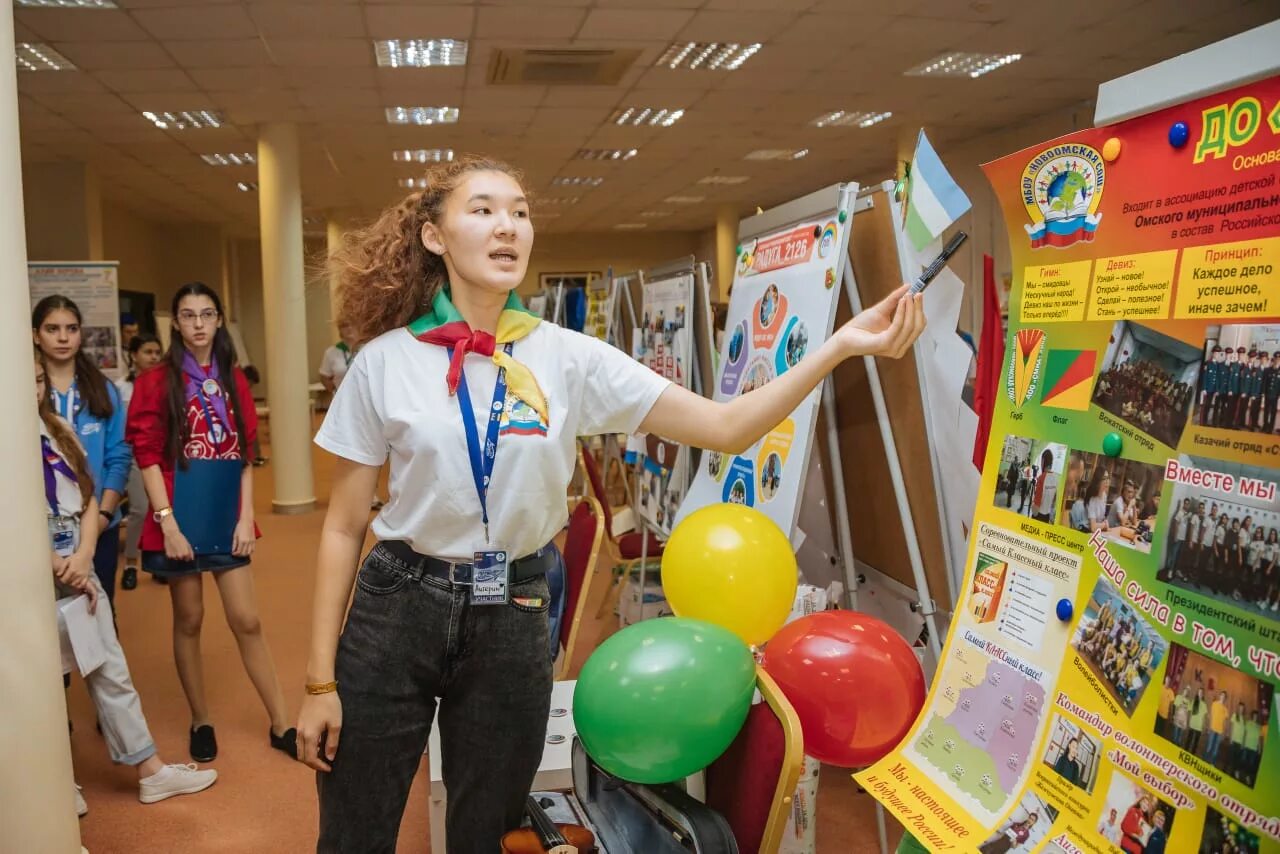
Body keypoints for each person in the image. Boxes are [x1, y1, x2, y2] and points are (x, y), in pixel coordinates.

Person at [295, 155, 927, 853]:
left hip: (515, 609)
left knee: (488, 831)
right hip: (400, 603)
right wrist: (320, 681)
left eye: (520, 212)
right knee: (355, 825)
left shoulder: (567, 357)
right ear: (435, 237)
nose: (507, 226)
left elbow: (726, 426)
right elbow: (344, 526)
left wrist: (838, 346)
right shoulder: (384, 362)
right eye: (482, 210)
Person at [35, 353, 217, 815]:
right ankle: (54, 782)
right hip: (31, 569)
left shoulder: (56, 425)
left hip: (77, 558)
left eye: (39, 381)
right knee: (40, 681)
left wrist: (81, 555)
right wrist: (52, 561)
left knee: (108, 667)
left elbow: (88, 493)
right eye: (26, 381)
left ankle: (149, 771)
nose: (35, 389)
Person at [125, 282, 295, 763]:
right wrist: (168, 522)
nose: (197, 324)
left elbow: (244, 452)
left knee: (247, 618)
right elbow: (148, 455)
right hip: (178, 513)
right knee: (190, 617)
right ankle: (201, 718)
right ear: (175, 323)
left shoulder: (233, 379)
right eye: (187, 315)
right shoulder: (156, 381)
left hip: (225, 512)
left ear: (219, 320)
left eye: (206, 314)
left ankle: (281, 721)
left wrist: (247, 516)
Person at [33, 295, 132, 606]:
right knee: (43, 620)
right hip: (40, 530)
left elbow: (119, 457)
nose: (63, 337)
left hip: (99, 524)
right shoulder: (27, 389)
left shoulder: (103, 391)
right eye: (52, 329)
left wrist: (103, 515)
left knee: (98, 611)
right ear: (35, 335)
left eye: (71, 328)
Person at [117, 333, 164, 590]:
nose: (154, 357)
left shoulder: (166, 383)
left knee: (162, 508)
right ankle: (131, 564)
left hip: (162, 455)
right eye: (148, 351)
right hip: (135, 454)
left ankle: (157, 563)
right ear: (134, 355)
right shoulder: (121, 387)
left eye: (157, 352)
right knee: (140, 509)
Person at [318, 320, 359, 395]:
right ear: (340, 330)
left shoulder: (366, 349)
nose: (349, 328)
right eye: (345, 325)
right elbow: (324, 377)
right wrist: (336, 391)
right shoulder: (331, 352)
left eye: (353, 324)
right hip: (341, 400)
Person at [1030, 447, 1057, 523]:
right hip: (1047, 517)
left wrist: (1032, 505)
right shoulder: (1056, 478)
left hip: (1038, 516)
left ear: (1043, 461)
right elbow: (1054, 501)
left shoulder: (1041, 478)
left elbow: (1035, 509)